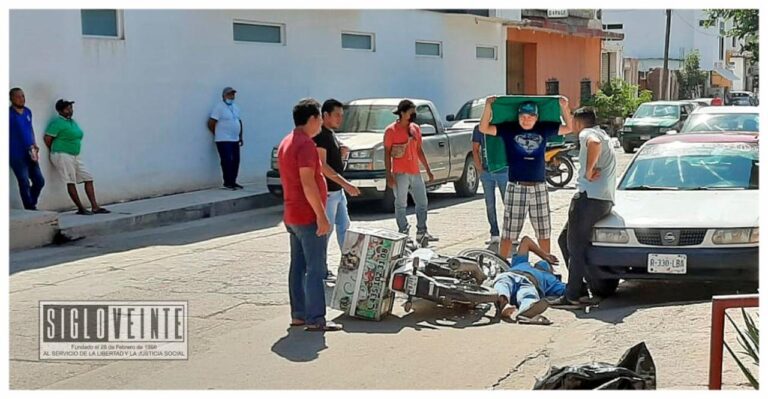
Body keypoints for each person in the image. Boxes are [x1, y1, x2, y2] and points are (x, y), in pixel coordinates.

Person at [479, 96, 574, 259]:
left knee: (543, 230)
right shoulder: (509, 129)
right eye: (522, 116)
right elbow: (484, 128)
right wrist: (488, 106)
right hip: (516, 186)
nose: (526, 119)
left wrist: (565, 108)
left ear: (536, 117)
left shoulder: (544, 128)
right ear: (518, 116)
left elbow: (569, 128)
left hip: (539, 186)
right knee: (509, 231)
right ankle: (503, 264)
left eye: (530, 116)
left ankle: (546, 265)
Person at [278, 98, 341, 332]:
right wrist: (322, 216)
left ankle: (299, 314)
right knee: (315, 267)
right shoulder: (305, 145)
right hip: (306, 215)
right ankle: (316, 318)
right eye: (319, 120)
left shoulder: (287, 141)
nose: (321, 125)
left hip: (292, 214)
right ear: (313, 119)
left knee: (298, 266)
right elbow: (308, 183)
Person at [551, 107, 617, 308]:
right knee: (565, 240)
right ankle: (579, 288)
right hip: (603, 200)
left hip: (588, 198)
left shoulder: (588, 134)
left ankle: (572, 296)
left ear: (578, 122)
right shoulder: (603, 133)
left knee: (575, 247)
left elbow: (593, 144)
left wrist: (588, 171)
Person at [313, 98, 361, 278]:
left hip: (337, 192)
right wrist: (346, 184)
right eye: (336, 115)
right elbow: (322, 166)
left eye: (342, 115)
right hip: (329, 191)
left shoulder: (331, 134)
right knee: (327, 230)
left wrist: (341, 153)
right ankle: (320, 268)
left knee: (344, 228)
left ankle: (349, 266)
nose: (340, 119)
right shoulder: (321, 136)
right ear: (325, 115)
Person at [44, 99, 110, 215]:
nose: (70, 110)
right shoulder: (57, 123)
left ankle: (95, 206)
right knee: (71, 181)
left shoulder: (72, 122)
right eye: (67, 108)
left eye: (71, 108)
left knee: (88, 177)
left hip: (75, 155)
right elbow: (48, 138)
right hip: (62, 155)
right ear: (60, 111)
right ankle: (80, 208)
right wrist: (57, 149)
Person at [384, 99, 436, 243]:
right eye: (411, 111)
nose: (414, 114)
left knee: (422, 202)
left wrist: (427, 169)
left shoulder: (415, 128)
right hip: (400, 173)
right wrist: (388, 174)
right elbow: (387, 153)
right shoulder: (391, 130)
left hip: (415, 171)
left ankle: (422, 231)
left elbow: (419, 150)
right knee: (401, 203)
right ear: (402, 113)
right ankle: (403, 233)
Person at [493, 236, 565, 324]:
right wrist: (544, 255)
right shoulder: (523, 262)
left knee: (525, 293)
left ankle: (524, 309)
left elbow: (570, 290)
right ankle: (505, 303)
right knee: (506, 284)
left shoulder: (552, 280)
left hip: (526, 281)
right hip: (515, 276)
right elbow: (526, 241)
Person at [472, 123, 509, 251]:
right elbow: (475, 149)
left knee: (508, 204)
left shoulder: (503, 125)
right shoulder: (479, 128)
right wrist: (479, 168)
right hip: (487, 172)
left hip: (504, 171)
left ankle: (510, 234)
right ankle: (494, 233)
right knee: (489, 204)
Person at [9, 88, 45, 210]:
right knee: (24, 181)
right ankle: (29, 207)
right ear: (11, 98)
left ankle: (31, 202)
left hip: (30, 152)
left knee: (39, 181)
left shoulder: (28, 112)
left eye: (23, 96)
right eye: (18, 96)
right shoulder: (8, 114)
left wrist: (34, 144)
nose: (21, 99)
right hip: (16, 154)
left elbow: (30, 129)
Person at [208, 87, 243, 190]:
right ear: (223, 96)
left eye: (232, 94)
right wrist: (218, 133)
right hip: (223, 139)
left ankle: (233, 181)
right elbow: (211, 122)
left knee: (236, 160)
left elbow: (239, 121)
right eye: (229, 94)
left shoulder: (235, 107)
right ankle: (227, 182)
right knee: (227, 160)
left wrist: (240, 136)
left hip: (235, 139)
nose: (231, 97)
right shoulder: (219, 107)